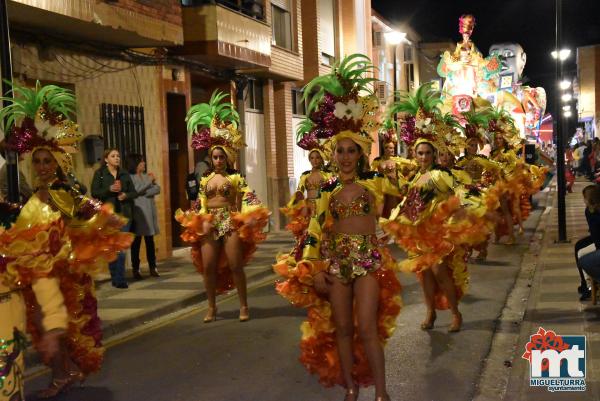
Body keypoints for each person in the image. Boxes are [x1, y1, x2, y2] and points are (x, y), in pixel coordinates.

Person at [274, 54, 401, 401]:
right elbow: (315, 230)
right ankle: (349, 387)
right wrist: (315, 268)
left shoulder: (374, 182)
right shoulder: (327, 191)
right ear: (333, 156)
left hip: (368, 260)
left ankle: (383, 392)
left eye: (351, 151)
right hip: (335, 262)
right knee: (343, 329)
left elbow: (402, 196)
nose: (345, 156)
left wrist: (390, 226)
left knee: (367, 327)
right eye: (340, 151)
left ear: (359, 154)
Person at [0, 81, 132, 398]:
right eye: (38, 161)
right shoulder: (35, 196)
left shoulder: (62, 193)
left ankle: (61, 374)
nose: (43, 167)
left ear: (58, 164)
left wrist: (106, 215)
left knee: (52, 326)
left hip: (60, 275)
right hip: (36, 273)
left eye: (48, 161)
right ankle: (67, 369)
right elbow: (26, 220)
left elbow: (90, 208)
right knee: (44, 326)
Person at [383, 83, 490, 335]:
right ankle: (430, 312)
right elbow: (405, 205)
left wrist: (465, 211)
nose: (423, 157)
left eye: (427, 153)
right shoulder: (413, 179)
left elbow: (462, 191)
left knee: (441, 273)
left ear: (433, 154)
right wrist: (391, 226)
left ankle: (455, 313)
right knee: (425, 277)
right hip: (419, 237)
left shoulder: (441, 174)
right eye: (419, 153)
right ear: (415, 153)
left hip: (438, 235)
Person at [176, 90, 270, 323]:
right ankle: (211, 307)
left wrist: (248, 217)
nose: (218, 161)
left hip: (229, 223)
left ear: (228, 157)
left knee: (236, 265)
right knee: (208, 267)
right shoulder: (206, 180)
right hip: (210, 224)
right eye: (215, 157)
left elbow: (250, 199)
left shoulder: (236, 178)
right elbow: (200, 203)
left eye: (221, 157)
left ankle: (243, 305)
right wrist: (200, 221)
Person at [92, 148, 137, 288]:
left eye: (118, 156)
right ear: (106, 159)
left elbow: (133, 192)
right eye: (113, 156)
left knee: (121, 248)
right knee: (111, 248)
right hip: (108, 216)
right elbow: (94, 192)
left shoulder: (124, 174)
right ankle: (114, 277)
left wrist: (126, 195)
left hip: (124, 215)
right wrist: (109, 189)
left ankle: (120, 279)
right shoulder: (100, 174)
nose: (117, 158)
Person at [126, 153, 161, 279]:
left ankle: (153, 267)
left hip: (149, 212)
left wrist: (145, 192)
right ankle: (136, 269)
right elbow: (136, 190)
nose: (144, 164)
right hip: (139, 213)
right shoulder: (130, 177)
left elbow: (157, 188)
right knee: (136, 242)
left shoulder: (146, 176)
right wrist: (148, 183)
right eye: (141, 162)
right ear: (136, 164)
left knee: (150, 242)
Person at [577, 185, 600, 290]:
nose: (583, 201)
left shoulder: (592, 212)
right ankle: (588, 285)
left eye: (584, 198)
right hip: (597, 241)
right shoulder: (589, 211)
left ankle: (592, 284)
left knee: (584, 259)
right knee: (579, 248)